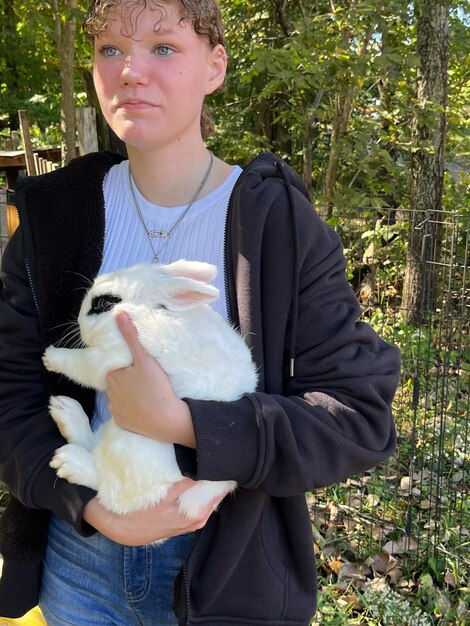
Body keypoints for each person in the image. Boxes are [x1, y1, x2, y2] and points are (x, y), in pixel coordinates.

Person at [0, 0, 401, 624]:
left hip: (223, 572)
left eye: (163, 47)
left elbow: (357, 415)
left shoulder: (278, 225)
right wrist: (89, 501)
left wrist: (184, 424)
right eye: (111, 49)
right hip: (77, 559)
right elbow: (11, 389)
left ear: (214, 66)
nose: (131, 71)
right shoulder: (52, 215)